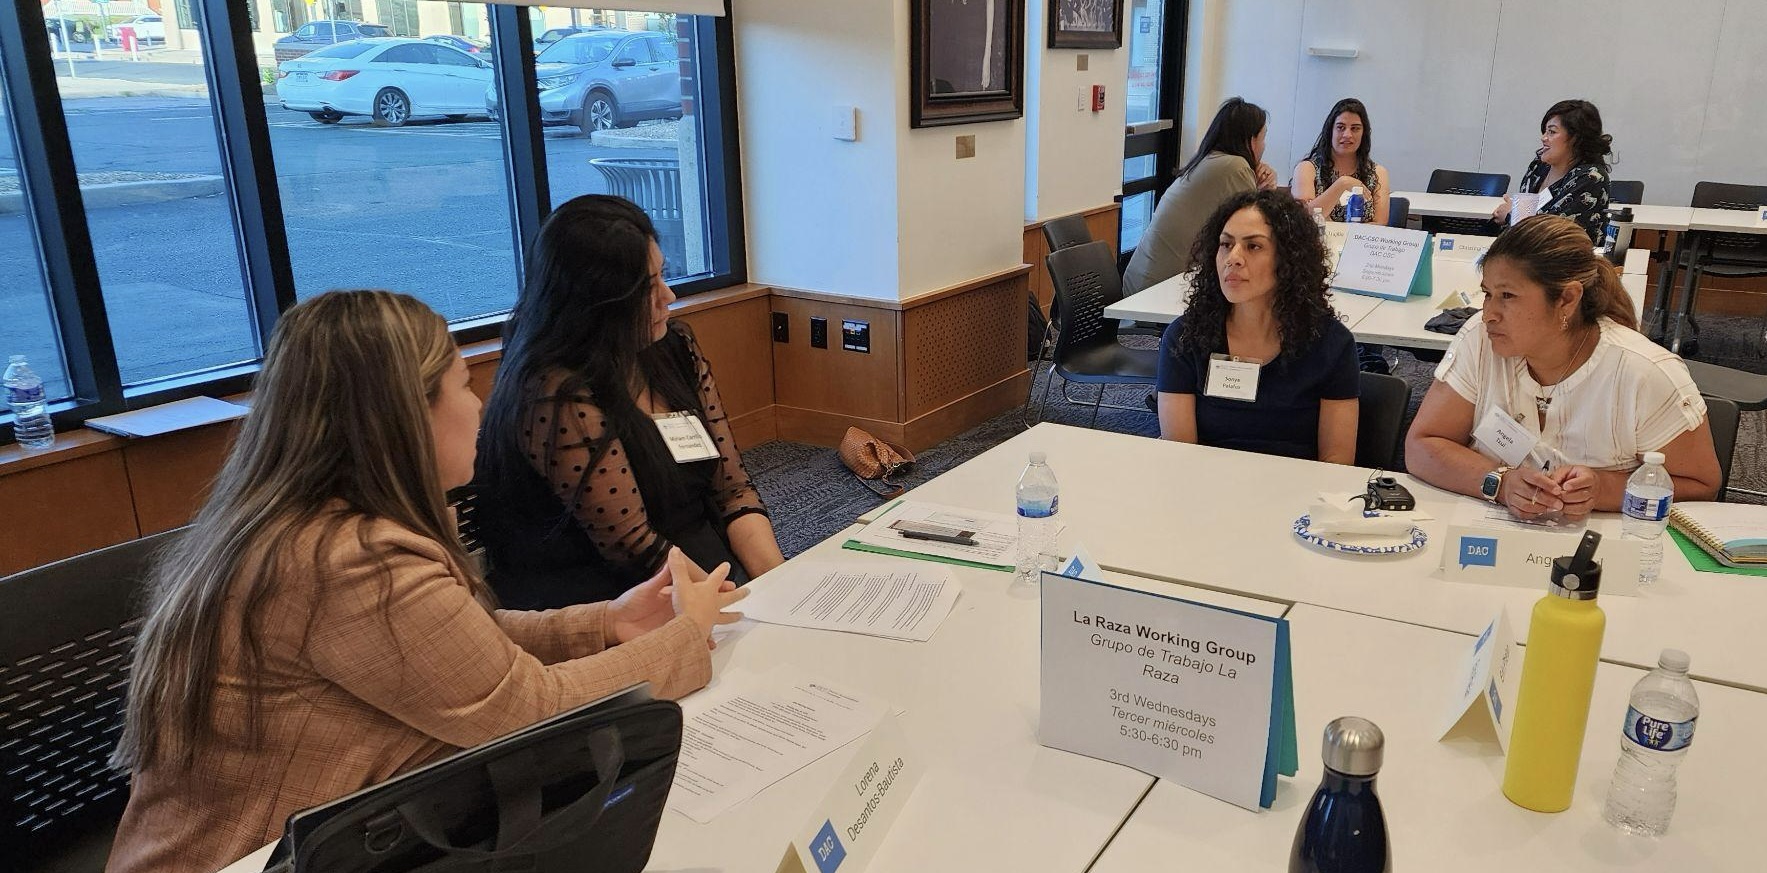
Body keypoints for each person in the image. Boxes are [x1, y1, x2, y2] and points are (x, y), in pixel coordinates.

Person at [106, 290, 746, 873]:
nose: (480, 405)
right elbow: (530, 715)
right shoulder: (349, 561)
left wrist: (609, 623)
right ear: (406, 417)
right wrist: (685, 635)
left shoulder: (311, 521)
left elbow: (458, 645)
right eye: (462, 386)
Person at [476, 195, 784, 610]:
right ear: (596, 303)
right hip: (609, 597)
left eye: (663, 275)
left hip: (699, 568)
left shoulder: (671, 345)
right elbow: (633, 548)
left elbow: (733, 491)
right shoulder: (554, 392)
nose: (669, 296)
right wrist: (735, 604)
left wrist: (781, 583)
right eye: (647, 287)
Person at [1406, 215, 1721, 520]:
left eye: (1507, 296)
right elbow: (1423, 446)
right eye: (1487, 294)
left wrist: (1603, 490)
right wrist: (1499, 483)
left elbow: (1701, 486)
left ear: (1567, 299)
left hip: (1597, 554)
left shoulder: (1644, 372)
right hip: (1486, 539)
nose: (1489, 313)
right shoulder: (1481, 339)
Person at [1156, 189, 1361, 464]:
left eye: (1253, 246)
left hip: (1296, 494)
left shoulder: (1330, 344)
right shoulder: (1185, 337)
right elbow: (1179, 455)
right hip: (1207, 488)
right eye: (1226, 245)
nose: (1233, 258)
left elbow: (1337, 460)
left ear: (1287, 260)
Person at [1123, 97, 1280, 295]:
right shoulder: (1234, 166)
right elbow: (1256, 227)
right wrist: (1266, 190)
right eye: (1263, 138)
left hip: (1147, 280)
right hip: (1158, 290)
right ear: (1251, 139)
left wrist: (1259, 184)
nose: (1264, 146)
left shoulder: (1213, 161)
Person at [1492, 100, 1612, 243]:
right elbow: (1524, 220)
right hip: (1524, 253)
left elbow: (1556, 236)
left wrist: (1510, 214)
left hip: (1562, 261)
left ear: (1576, 138)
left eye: (1552, 132)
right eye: (1545, 131)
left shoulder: (1591, 177)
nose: (1544, 138)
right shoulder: (1538, 168)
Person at [1292, 97, 1390, 226]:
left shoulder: (1378, 173)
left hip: (1360, 243)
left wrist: (1345, 237)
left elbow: (1380, 223)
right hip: (1317, 243)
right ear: (1330, 131)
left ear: (1363, 133)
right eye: (1340, 127)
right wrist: (1342, 184)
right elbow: (1305, 217)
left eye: (1355, 128)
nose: (1347, 135)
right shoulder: (1307, 169)